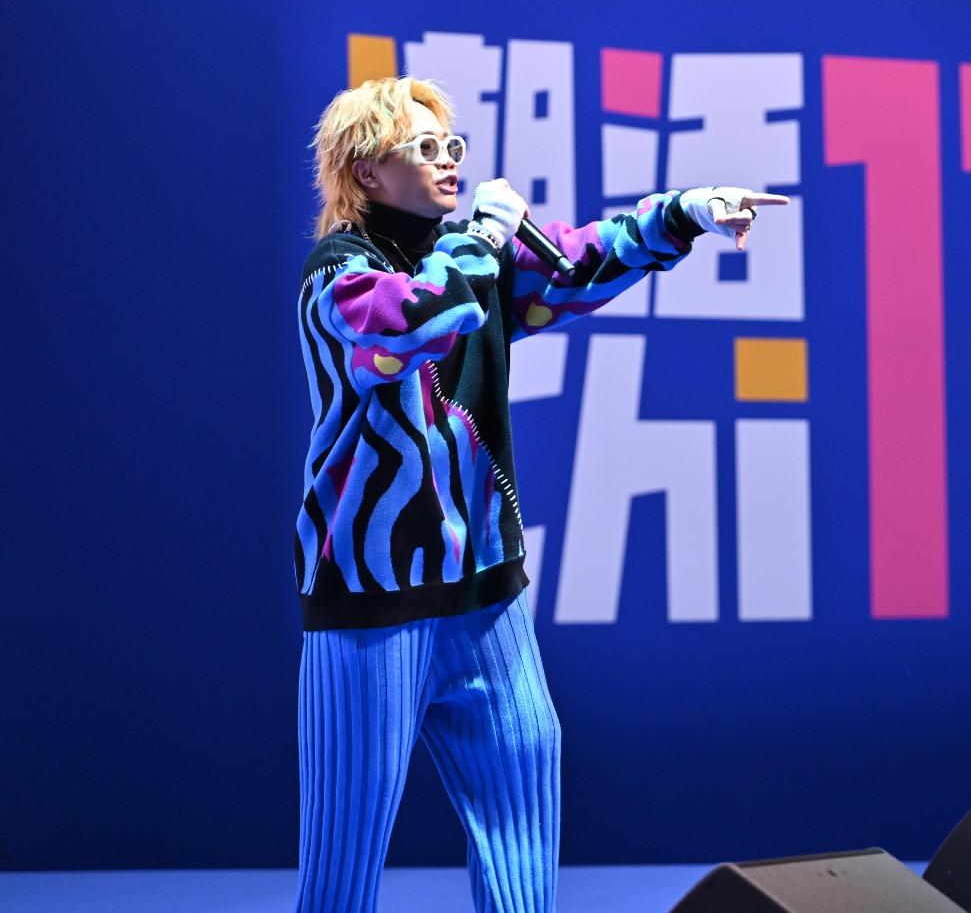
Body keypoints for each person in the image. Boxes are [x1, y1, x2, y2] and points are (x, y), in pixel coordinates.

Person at [293, 76, 787, 912]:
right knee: (344, 859)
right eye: (424, 147)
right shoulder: (339, 272)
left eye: (452, 146)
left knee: (523, 789)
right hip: (373, 601)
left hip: (486, 593)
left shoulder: (469, 254)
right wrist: (486, 234)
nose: (448, 161)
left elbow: (578, 261)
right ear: (367, 170)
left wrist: (688, 212)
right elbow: (420, 319)